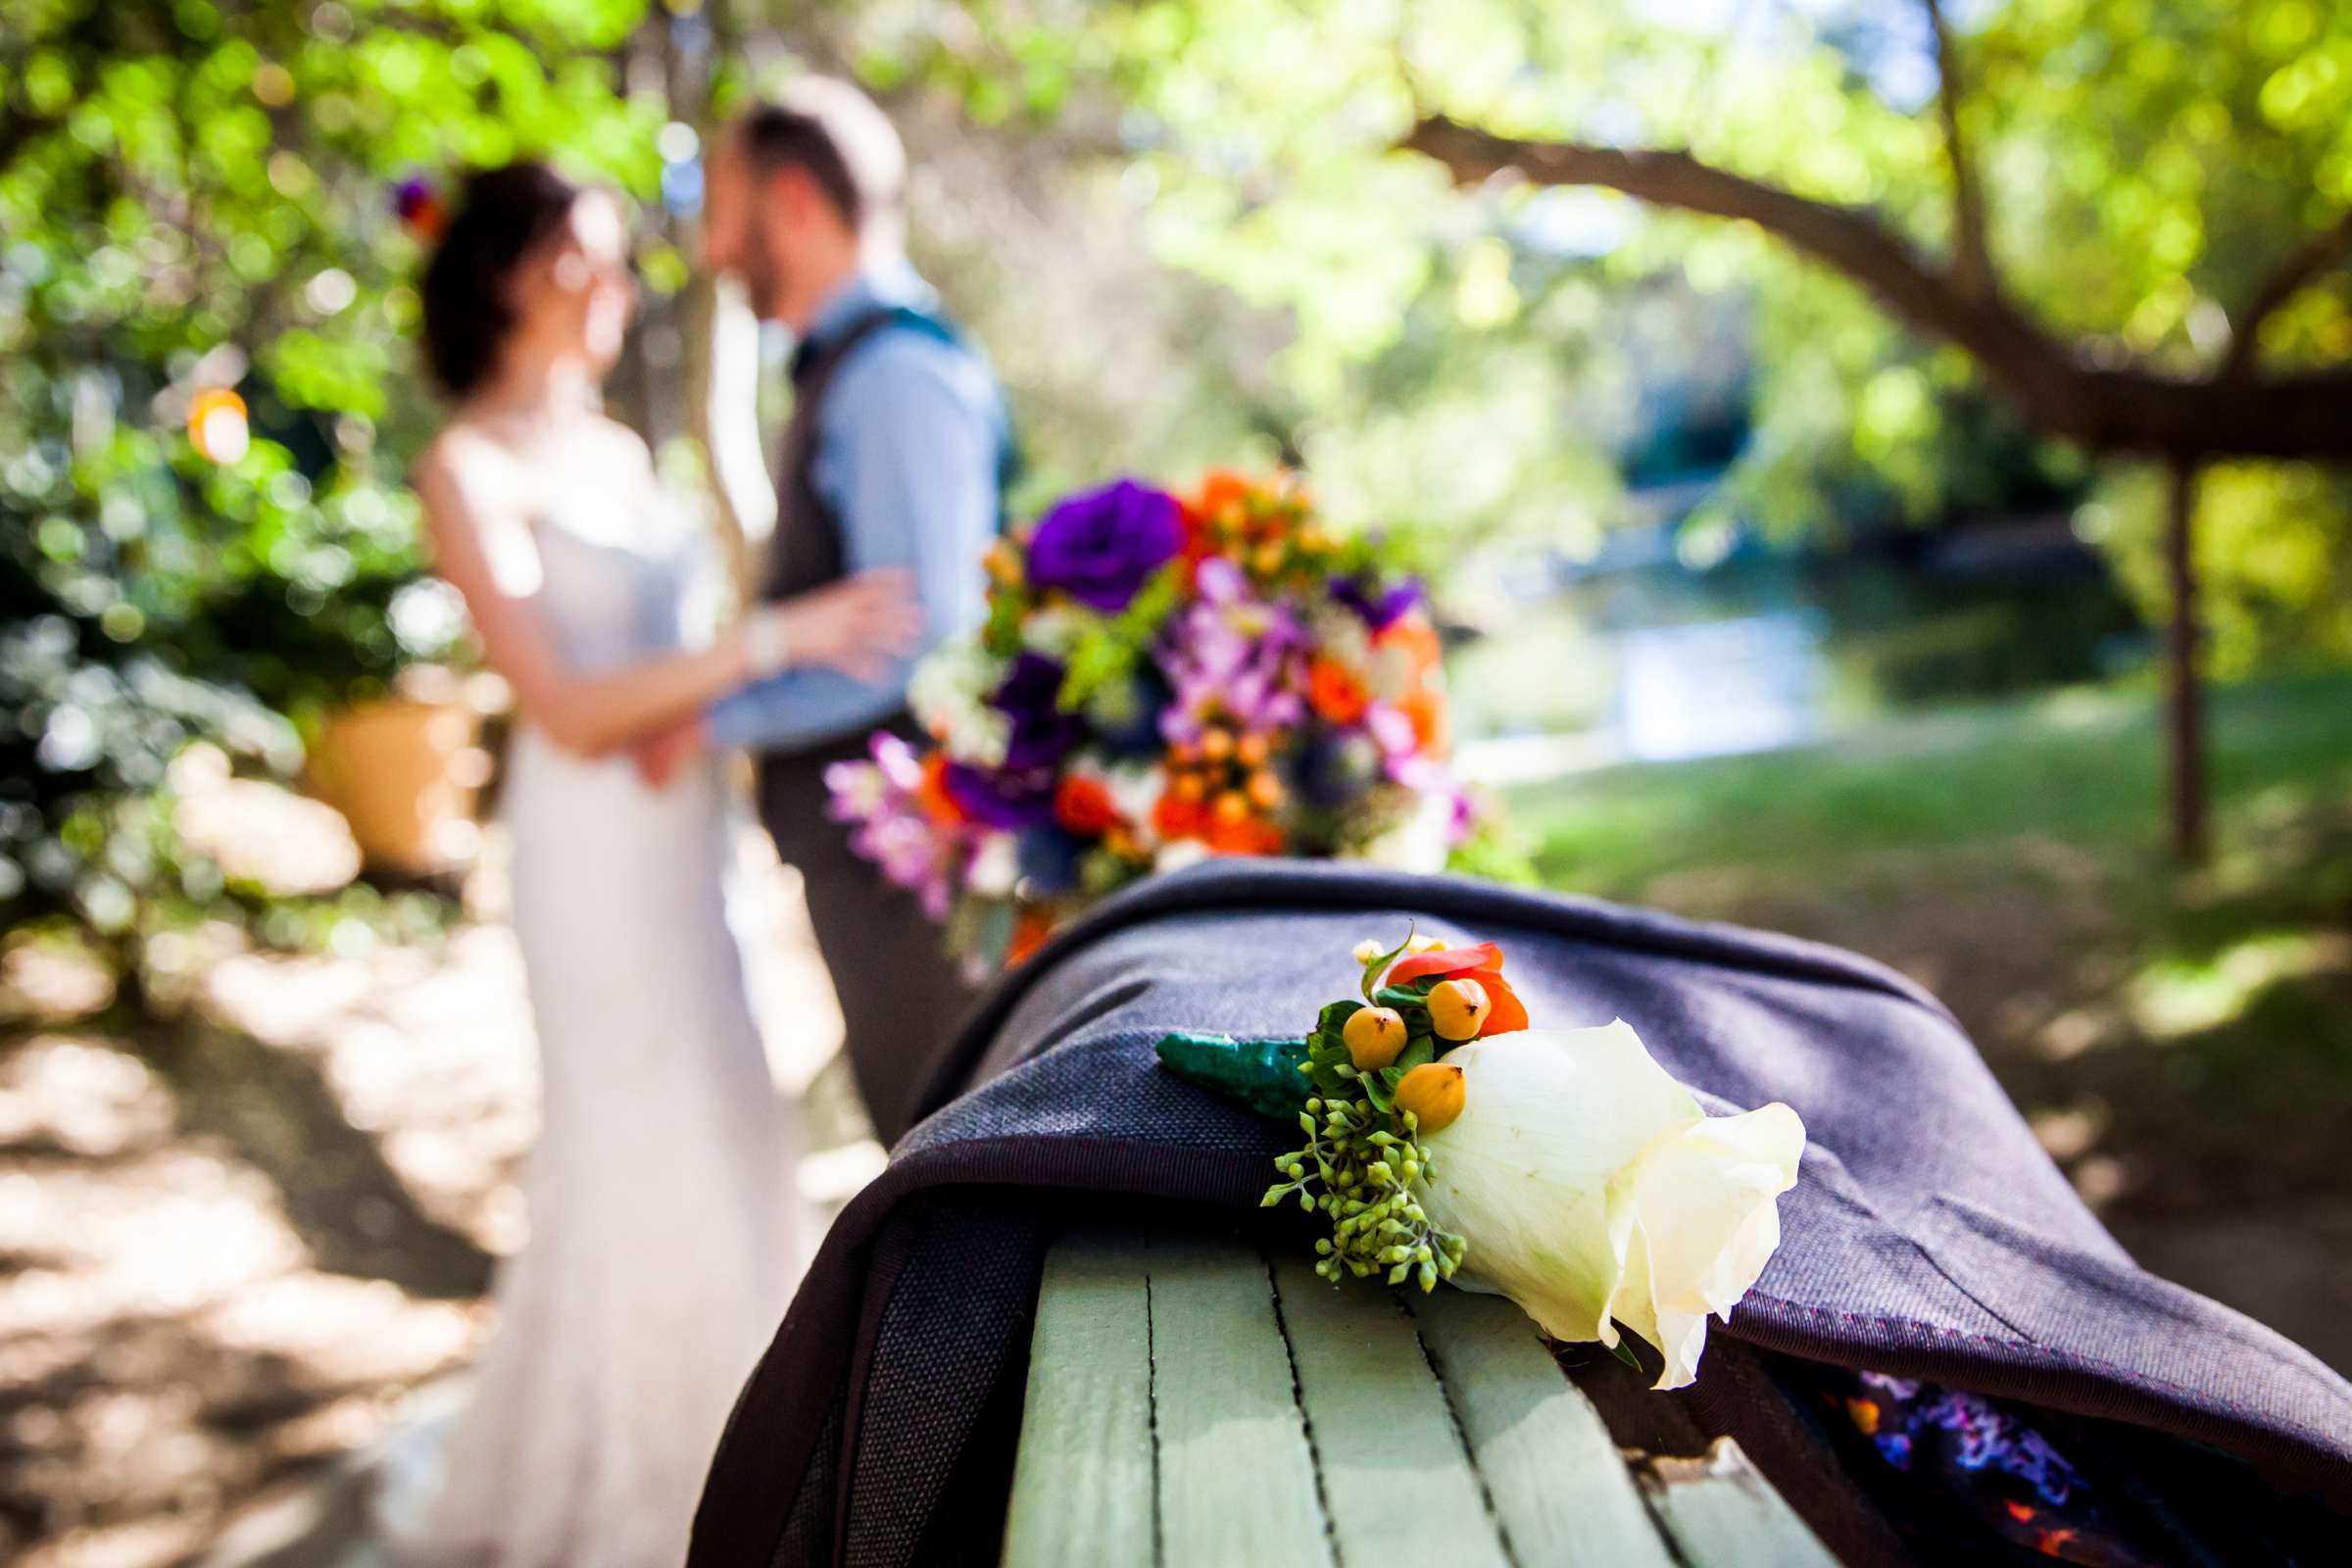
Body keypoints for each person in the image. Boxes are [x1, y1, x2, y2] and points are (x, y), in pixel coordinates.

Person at [383, 161, 921, 1567]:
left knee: (736, 1118)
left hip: (686, 841)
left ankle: (762, 1434)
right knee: (634, 1138)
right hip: (587, 853)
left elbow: (675, 664)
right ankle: (654, 1485)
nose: (622, 287)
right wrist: (780, 643)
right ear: (514, 273)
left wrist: (721, 694)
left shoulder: (620, 452)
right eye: (593, 258)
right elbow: (564, 704)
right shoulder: (465, 465)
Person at [638, 80, 1010, 1145]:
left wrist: (711, 722)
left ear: (793, 202)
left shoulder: (893, 373)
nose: (713, 248)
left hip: (903, 860)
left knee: (938, 1127)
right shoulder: (862, 364)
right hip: (874, 845)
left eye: (721, 209)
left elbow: (911, 641)